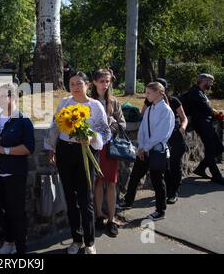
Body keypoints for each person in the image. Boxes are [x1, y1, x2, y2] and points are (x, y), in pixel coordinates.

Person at [45, 72, 111, 254]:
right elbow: (55, 126)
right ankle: (76, 238)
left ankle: (90, 241)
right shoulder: (65, 103)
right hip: (65, 152)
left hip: (86, 153)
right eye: (71, 83)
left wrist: (91, 137)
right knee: (70, 198)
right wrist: (50, 148)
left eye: (79, 83)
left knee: (86, 198)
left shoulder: (95, 105)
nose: (75, 87)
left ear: (88, 85)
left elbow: (105, 132)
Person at [0, 83, 35, 254]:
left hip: (14, 174)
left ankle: (20, 247)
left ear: (14, 97)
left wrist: (6, 150)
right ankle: (8, 242)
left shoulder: (23, 121)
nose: (0, 99)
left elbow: (29, 147)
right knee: (2, 209)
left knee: (16, 211)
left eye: (4, 96)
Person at [118, 82, 175, 221]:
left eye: (148, 93)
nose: (146, 95)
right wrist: (141, 147)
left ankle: (160, 211)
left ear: (158, 93)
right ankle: (128, 201)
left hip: (157, 152)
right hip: (145, 150)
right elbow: (143, 130)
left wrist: (145, 147)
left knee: (157, 181)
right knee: (135, 176)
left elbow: (161, 134)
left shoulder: (166, 111)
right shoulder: (150, 109)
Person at [141, 78, 188, 203]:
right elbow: (143, 115)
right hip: (159, 139)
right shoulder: (150, 101)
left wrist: (182, 128)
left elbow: (184, 118)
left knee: (174, 165)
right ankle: (167, 191)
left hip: (175, 137)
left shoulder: (174, 101)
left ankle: (174, 192)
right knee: (165, 167)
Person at [91, 69, 126, 237]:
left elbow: (122, 124)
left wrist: (111, 126)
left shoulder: (114, 102)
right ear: (95, 82)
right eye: (102, 81)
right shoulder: (88, 101)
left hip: (110, 147)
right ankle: (99, 216)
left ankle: (111, 220)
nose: (105, 84)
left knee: (111, 183)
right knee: (97, 182)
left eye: (108, 81)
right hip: (94, 147)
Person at [187, 74, 224, 185]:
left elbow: (208, 109)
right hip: (202, 124)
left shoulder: (200, 92)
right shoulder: (195, 92)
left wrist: (216, 113)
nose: (211, 84)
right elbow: (207, 109)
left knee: (219, 148)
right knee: (211, 150)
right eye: (210, 82)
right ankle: (217, 176)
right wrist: (216, 113)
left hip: (207, 124)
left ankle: (200, 169)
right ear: (203, 81)